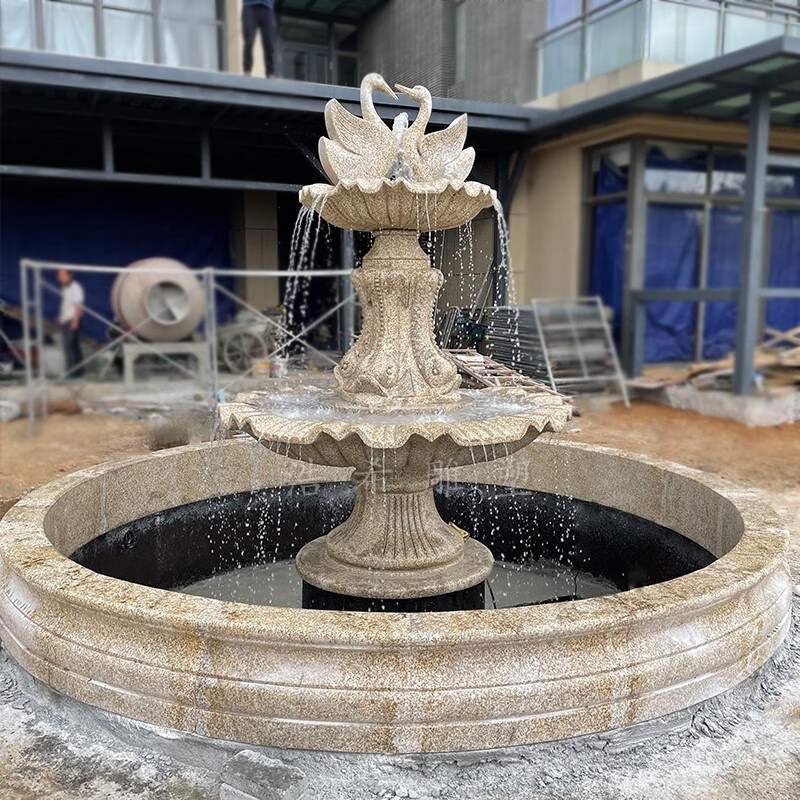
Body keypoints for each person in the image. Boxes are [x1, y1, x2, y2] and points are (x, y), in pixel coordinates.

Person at [57, 268, 85, 378]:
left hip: (72, 320)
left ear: (70, 275)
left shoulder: (75, 287)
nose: (60, 278)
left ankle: (72, 372)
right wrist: (61, 317)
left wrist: (75, 321)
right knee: (74, 345)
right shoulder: (65, 288)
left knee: (68, 346)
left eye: (62, 275)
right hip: (67, 319)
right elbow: (67, 306)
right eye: (59, 275)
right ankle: (78, 370)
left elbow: (79, 306)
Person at [242, 0, 276, 78]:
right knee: (249, 41)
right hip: (250, 6)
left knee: (269, 42)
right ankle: (247, 69)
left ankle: (270, 72)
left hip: (267, 7)